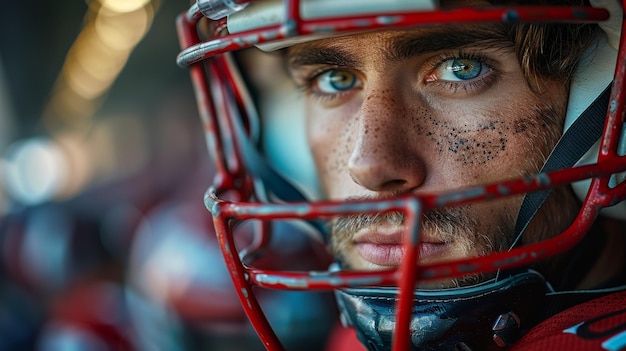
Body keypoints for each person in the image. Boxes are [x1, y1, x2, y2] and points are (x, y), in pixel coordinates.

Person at [176, 0, 626, 350]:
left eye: (460, 68)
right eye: (333, 79)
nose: (370, 166)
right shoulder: (349, 340)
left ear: (599, 104)